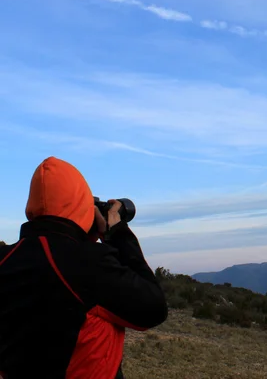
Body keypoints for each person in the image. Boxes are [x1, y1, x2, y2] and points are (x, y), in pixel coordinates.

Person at [0, 156, 169, 378]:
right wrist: (117, 234)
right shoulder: (88, 263)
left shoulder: (6, 258)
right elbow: (153, 309)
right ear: (80, 204)